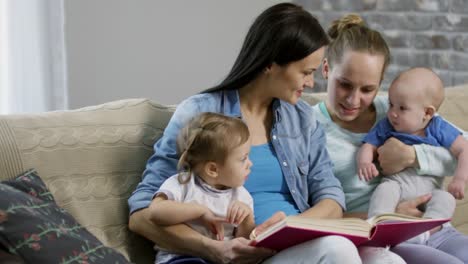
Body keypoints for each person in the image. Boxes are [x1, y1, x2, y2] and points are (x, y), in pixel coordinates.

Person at [128, 3, 404, 264]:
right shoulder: (199, 113)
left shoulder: (303, 120)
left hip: (291, 247)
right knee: (337, 249)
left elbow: (331, 199)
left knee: (388, 259)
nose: (310, 82)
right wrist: (214, 249)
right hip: (230, 254)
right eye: (305, 72)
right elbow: (140, 215)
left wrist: (290, 226)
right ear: (271, 64)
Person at [313, 14, 468, 263]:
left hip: (433, 224)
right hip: (373, 236)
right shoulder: (310, 127)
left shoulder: (397, 109)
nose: (354, 100)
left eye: (367, 89)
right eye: (344, 84)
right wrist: (388, 217)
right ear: (326, 69)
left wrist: (413, 156)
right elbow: (307, 215)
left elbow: (461, 148)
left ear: (381, 84)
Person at [358, 68, 468, 230]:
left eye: (402, 108)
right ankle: (378, 226)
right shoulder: (387, 125)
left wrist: (459, 179)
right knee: (384, 190)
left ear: (427, 112)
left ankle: (429, 230)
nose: (393, 113)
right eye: (391, 104)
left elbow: (464, 149)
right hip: (397, 184)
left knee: (446, 199)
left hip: (430, 191)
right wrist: (365, 162)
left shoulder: (438, 127)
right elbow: (368, 145)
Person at [149, 112, 256, 263]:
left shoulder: (242, 197)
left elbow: (242, 248)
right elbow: (155, 212)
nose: (250, 164)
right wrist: (200, 211)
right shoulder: (183, 183)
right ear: (213, 169)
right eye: (243, 159)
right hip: (181, 258)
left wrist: (247, 219)